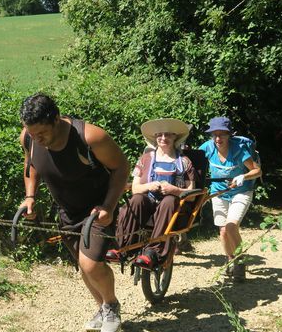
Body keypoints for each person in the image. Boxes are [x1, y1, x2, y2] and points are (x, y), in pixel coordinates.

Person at [18, 94, 130, 332]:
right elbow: (31, 166)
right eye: (32, 133)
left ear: (56, 119)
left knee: (91, 263)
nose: (37, 139)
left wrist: (109, 207)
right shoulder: (29, 137)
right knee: (83, 266)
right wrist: (30, 197)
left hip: (97, 210)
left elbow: (121, 167)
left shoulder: (90, 137)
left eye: (42, 134)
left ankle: (111, 306)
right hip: (66, 211)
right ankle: (101, 308)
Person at [112, 119, 196, 269]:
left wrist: (174, 190)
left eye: (168, 134)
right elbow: (135, 188)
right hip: (148, 203)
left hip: (174, 208)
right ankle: (123, 248)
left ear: (175, 137)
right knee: (137, 199)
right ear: (155, 137)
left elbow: (193, 194)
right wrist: (148, 186)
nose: (163, 138)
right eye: (160, 134)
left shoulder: (184, 162)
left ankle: (153, 252)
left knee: (169, 201)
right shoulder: (145, 159)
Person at [198, 117, 262, 282]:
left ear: (229, 135)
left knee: (231, 226)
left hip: (241, 191)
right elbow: (194, 165)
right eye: (215, 135)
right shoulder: (207, 148)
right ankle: (230, 260)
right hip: (219, 193)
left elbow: (258, 171)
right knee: (223, 231)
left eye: (222, 134)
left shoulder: (239, 149)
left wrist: (244, 176)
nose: (218, 139)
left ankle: (240, 261)